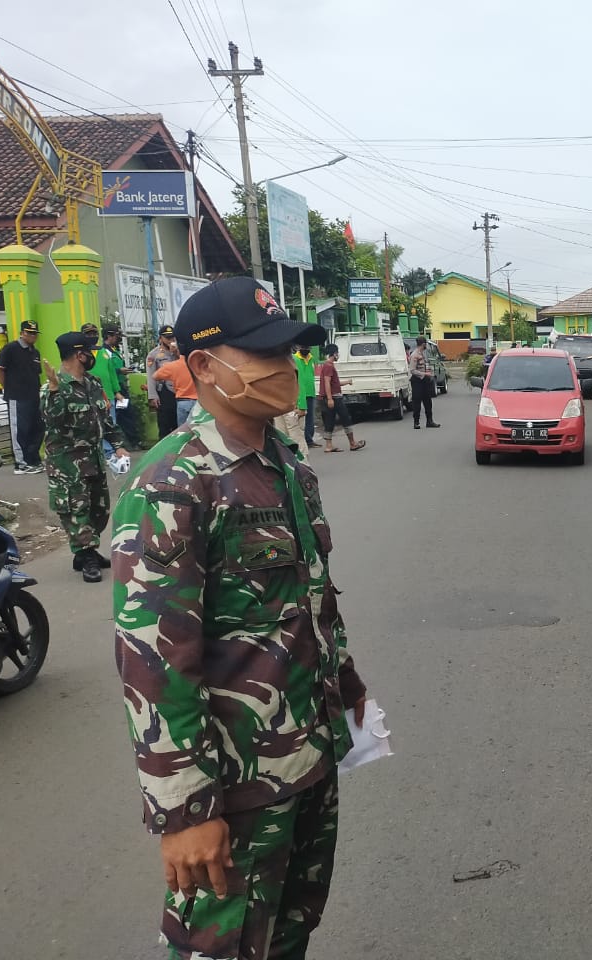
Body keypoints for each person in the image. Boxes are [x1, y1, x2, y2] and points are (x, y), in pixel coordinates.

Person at [112, 276, 368, 960]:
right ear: (203, 367)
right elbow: (154, 657)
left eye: (289, 351)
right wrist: (185, 811)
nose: (285, 369)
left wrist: (347, 686)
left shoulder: (286, 467)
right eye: (263, 354)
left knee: (288, 934)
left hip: (306, 759)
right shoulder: (174, 479)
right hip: (232, 786)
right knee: (220, 950)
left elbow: (312, 597)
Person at [41, 331, 129, 583]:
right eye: (89, 352)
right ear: (79, 354)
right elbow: (52, 421)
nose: (92, 356)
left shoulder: (93, 383)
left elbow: (105, 420)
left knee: (98, 510)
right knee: (76, 510)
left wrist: (119, 444)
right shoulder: (53, 387)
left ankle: (84, 552)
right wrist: (56, 391)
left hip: (94, 460)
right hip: (67, 465)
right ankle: (87, 554)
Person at [0, 319, 44, 473]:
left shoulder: (35, 352)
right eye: (29, 333)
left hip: (34, 396)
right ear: (22, 333)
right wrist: (9, 389)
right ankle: (21, 464)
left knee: (37, 428)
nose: (32, 336)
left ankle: (33, 459)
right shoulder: (11, 348)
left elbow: (36, 374)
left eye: (35, 333)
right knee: (20, 430)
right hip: (17, 396)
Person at [90, 323, 140, 449]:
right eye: (117, 336)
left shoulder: (111, 351)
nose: (118, 339)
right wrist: (119, 371)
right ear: (109, 336)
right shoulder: (103, 351)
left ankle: (123, 444)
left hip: (116, 388)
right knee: (118, 417)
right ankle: (122, 444)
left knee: (122, 416)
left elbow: (111, 372)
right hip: (106, 390)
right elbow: (111, 371)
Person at [318, 343, 365, 453]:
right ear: (334, 354)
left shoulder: (327, 365)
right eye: (337, 353)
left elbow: (334, 383)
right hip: (335, 398)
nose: (338, 355)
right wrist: (330, 398)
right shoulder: (329, 366)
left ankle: (329, 446)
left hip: (330, 397)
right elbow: (327, 382)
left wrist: (347, 382)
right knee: (346, 418)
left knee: (329, 421)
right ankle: (352, 443)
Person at [145, 325, 180, 441]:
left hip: (180, 391)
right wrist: (152, 396)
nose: (171, 340)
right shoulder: (153, 355)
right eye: (168, 338)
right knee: (164, 425)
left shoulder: (179, 351)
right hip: (164, 392)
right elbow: (151, 376)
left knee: (179, 425)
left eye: (172, 337)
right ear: (161, 338)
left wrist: (176, 353)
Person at [153, 354, 199, 424]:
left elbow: (155, 376)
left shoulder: (173, 366)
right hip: (199, 402)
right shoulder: (199, 364)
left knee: (183, 432)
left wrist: (169, 372)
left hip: (183, 402)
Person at [409, 335, 440, 429]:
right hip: (417, 381)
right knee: (417, 402)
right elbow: (412, 370)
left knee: (428, 401)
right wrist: (424, 374)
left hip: (425, 381)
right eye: (425, 343)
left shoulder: (423, 353)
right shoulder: (415, 355)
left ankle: (429, 421)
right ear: (423, 344)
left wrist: (429, 373)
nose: (426, 345)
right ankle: (416, 422)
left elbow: (426, 366)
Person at [295, 344, 318, 448]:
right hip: (299, 393)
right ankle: (301, 441)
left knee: (310, 418)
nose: (306, 350)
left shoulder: (312, 359)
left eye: (308, 348)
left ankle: (309, 439)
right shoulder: (295, 359)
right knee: (300, 418)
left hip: (310, 392)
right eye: (304, 348)